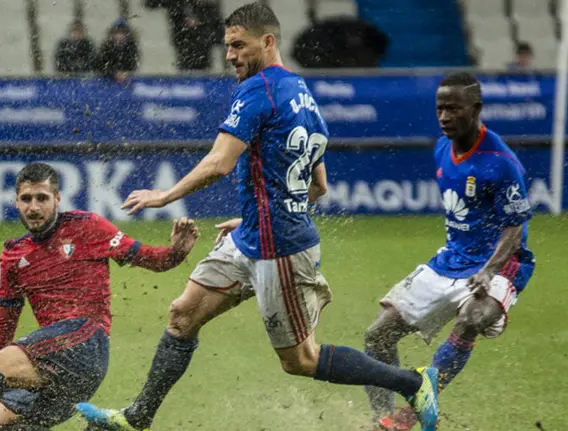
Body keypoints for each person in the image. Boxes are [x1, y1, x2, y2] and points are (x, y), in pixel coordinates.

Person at [77, 3, 439, 431]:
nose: (229, 54)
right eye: (227, 46)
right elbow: (317, 186)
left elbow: (219, 163)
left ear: (268, 42)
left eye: (238, 45)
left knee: (300, 360)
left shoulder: (258, 89)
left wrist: (165, 195)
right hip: (256, 235)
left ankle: (412, 382)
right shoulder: (302, 94)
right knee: (183, 314)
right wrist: (255, 216)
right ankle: (137, 418)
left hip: (279, 247)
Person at [0, 162, 201, 431]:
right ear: (16, 201)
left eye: (42, 198)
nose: (33, 207)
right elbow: (3, 329)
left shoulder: (87, 226)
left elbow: (151, 258)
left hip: (86, 342)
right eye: (26, 199)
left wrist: (176, 251)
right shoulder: (12, 255)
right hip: (53, 370)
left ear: (57, 199)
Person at [365, 72, 535, 431]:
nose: (444, 117)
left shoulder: (500, 162)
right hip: (452, 259)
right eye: (440, 109)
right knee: (377, 335)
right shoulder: (442, 147)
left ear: (476, 109)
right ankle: (378, 418)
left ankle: (407, 418)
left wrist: (489, 270)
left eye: (453, 109)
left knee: (473, 318)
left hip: (499, 263)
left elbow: (514, 229)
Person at [95, 18, 139, 83]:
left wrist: (124, 73)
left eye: (122, 32)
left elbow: (133, 64)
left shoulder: (131, 47)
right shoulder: (106, 47)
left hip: (125, 81)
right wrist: (113, 73)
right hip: (107, 81)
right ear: (112, 34)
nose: (119, 35)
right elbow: (100, 64)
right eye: (117, 32)